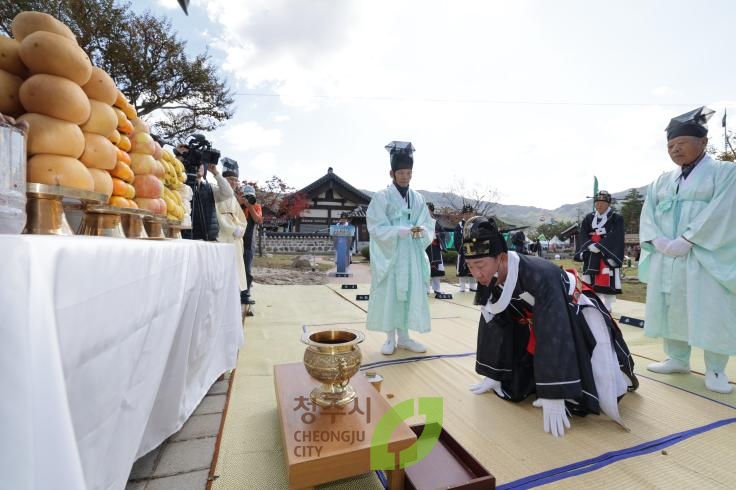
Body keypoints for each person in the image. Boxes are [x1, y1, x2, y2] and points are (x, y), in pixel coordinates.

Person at [463, 216, 638, 437]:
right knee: (515, 386)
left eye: (480, 265)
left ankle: (567, 386)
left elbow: (553, 331)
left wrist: (555, 391)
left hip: (573, 312)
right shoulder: (489, 277)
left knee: (592, 391)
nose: (476, 274)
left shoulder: (540, 275)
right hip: (534, 319)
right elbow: (494, 323)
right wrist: (494, 373)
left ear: (501, 257)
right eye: (470, 266)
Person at [639, 106, 736, 394]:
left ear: (703, 143)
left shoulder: (725, 172)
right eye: (670, 145)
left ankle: (716, 368)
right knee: (672, 306)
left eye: (681, 143)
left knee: (710, 308)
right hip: (667, 255)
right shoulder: (661, 180)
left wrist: (688, 240)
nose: (675, 149)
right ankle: (678, 358)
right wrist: (658, 241)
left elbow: (725, 211)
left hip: (705, 255)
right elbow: (649, 214)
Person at [366, 141, 434, 355]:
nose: (405, 177)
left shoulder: (418, 198)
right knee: (391, 293)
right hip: (392, 255)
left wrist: (420, 229)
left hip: (411, 253)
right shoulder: (382, 197)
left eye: (408, 173)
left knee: (409, 292)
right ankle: (389, 338)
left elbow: (426, 222)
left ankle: (404, 337)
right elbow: (375, 226)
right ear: (392, 173)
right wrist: (397, 231)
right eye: (401, 172)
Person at [573, 190, 625, 312]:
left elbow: (616, 235)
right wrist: (589, 245)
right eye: (597, 202)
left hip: (607, 253)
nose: (599, 205)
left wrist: (600, 246)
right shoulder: (588, 218)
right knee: (590, 277)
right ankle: (591, 301)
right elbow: (583, 234)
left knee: (607, 275)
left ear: (608, 204)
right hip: (591, 252)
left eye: (602, 202)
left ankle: (607, 305)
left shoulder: (616, 218)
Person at [178, 147, 233, 241]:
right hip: (187, 239)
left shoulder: (210, 188)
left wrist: (215, 172)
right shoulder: (181, 187)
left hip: (210, 239)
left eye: (202, 164)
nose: (199, 166)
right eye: (197, 163)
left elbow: (228, 193)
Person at [218, 170, 249, 317]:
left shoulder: (234, 200)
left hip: (236, 241)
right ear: (223, 180)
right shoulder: (217, 194)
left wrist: (240, 229)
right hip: (224, 239)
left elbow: (242, 219)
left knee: (237, 272)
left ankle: (235, 305)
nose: (234, 183)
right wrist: (231, 229)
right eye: (230, 179)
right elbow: (217, 216)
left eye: (236, 180)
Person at [236, 183, 263, 312]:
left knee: (247, 269)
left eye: (251, 197)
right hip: (235, 241)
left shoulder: (256, 206)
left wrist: (249, 207)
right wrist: (240, 203)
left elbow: (258, 220)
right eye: (246, 196)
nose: (249, 199)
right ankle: (234, 295)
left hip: (248, 242)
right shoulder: (236, 205)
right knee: (235, 269)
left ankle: (245, 296)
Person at [454, 205, 477, 292]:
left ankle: (473, 285)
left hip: (473, 250)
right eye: (466, 213)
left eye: (469, 213)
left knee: (473, 268)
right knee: (462, 268)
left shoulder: (475, 225)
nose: (468, 215)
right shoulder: (459, 225)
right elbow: (456, 239)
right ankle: (462, 286)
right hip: (463, 250)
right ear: (463, 214)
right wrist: (460, 249)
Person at [425, 202, 446, 294]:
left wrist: (437, 235)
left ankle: (437, 288)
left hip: (434, 247)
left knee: (436, 269)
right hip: (424, 248)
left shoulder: (436, 222)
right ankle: (425, 288)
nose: (426, 211)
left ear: (432, 210)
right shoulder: (420, 221)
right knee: (424, 269)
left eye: (428, 209)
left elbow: (443, 233)